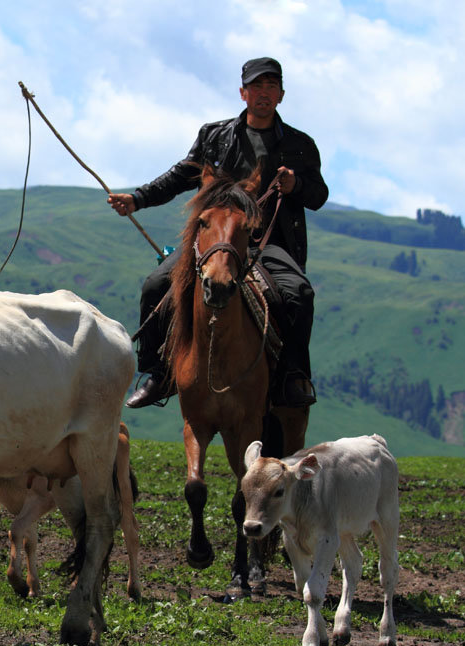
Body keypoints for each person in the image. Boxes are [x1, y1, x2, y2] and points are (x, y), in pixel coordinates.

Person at [108, 57, 328, 409]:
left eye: (271, 86)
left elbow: (319, 195)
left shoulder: (301, 145)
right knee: (155, 286)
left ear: (282, 95)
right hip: (214, 242)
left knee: (300, 294)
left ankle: (292, 377)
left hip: (269, 245)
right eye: (257, 86)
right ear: (243, 93)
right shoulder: (214, 136)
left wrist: (295, 183)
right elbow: (181, 175)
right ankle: (157, 373)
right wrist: (137, 199)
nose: (264, 93)